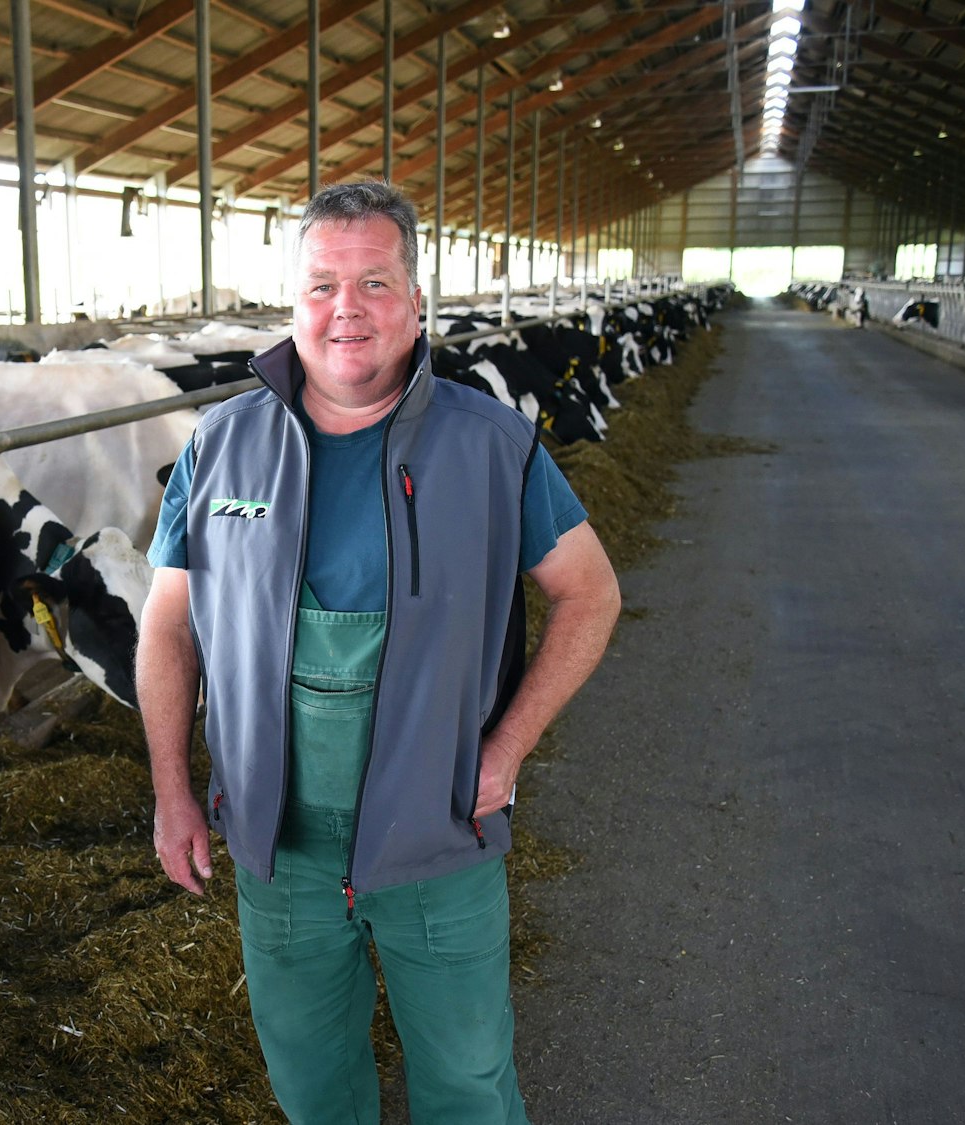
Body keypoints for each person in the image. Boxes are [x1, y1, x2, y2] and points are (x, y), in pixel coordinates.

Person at [136, 180, 622, 1124]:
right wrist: (172, 790)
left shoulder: (493, 445)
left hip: (442, 832)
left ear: (416, 303)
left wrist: (507, 748)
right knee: (313, 1086)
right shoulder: (221, 446)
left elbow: (591, 593)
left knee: (469, 1084)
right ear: (293, 302)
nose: (345, 309)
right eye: (322, 285)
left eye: (374, 283)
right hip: (279, 848)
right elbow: (166, 627)